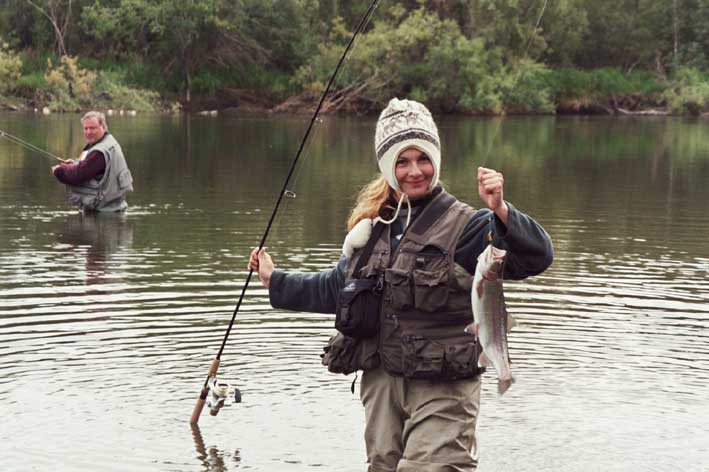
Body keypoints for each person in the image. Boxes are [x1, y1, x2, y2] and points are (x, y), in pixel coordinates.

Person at [248, 98, 553, 472]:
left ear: (436, 162)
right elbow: (335, 290)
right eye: (403, 161)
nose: (415, 171)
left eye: (423, 159)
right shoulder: (374, 229)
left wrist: (502, 211)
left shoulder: (469, 226)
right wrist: (274, 281)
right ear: (388, 168)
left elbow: (537, 257)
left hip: (445, 389)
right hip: (382, 385)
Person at [52, 111, 133, 212]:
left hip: (102, 213)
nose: (88, 132)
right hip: (115, 208)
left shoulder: (99, 152)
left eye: (92, 128)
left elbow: (78, 175)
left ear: (103, 127)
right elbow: (87, 167)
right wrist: (73, 164)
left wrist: (59, 171)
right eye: (86, 128)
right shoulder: (109, 142)